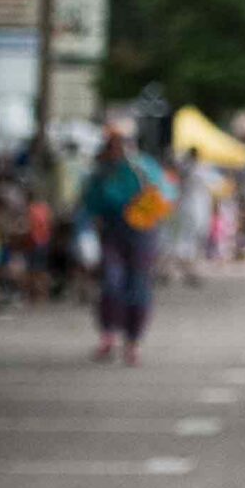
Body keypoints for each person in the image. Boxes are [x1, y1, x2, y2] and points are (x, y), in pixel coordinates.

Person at [77, 123, 172, 363]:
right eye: (111, 144)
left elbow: (166, 194)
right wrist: (85, 232)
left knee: (138, 285)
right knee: (112, 281)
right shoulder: (101, 171)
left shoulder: (143, 167)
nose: (115, 148)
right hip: (111, 230)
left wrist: (146, 212)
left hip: (141, 232)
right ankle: (109, 335)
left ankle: (132, 342)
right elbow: (88, 203)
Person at [169, 151, 215, 286]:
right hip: (192, 208)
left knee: (188, 239)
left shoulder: (188, 169)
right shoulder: (196, 169)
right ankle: (186, 269)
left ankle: (187, 269)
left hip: (191, 208)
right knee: (187, 239)